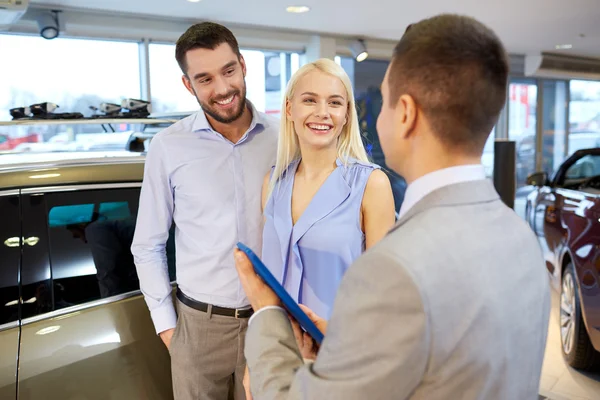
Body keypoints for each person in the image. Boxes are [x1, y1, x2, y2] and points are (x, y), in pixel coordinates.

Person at [233, 13, 551, 400]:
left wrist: (265, 320)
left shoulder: (394, 264)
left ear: (405, 113)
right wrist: (349, 343)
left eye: (381, 101)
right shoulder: (521, 236)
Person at [131, 22, 278, 400]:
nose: (222, 89)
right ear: (188, 85)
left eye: (228, 71)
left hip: (270, 319)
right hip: (197, 326)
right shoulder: (168, 147)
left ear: (243, 65)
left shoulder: (284, 138)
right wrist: (168, 328)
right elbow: (147, 244)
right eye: (205, 78)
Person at [261, 58, 396, 321]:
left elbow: (383, 293)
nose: (323, 112)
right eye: (310, 100)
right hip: (275, 351)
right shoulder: (272, 183)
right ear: (289, 109)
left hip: (340, 351)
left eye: (334, 102)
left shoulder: (371, 185)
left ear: (346, 115)